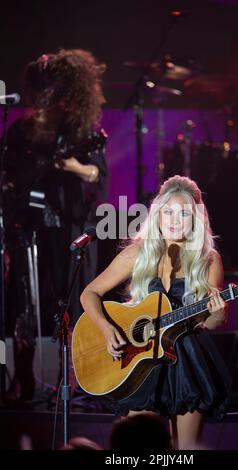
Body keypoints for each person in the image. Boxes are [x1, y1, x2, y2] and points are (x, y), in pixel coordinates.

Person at [80, 175, 230, 450]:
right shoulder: (139, 253)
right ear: (158, 215)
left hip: (187, 362)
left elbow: (212, 322)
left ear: (196, 219)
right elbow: (89, 293)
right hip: (141, 360)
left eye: (183, 213)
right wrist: (106, 327)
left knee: (184, 452)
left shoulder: (208, 260)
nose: (174, 220)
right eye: (168, 212)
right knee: (137, 448)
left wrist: (218, 313)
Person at [3, 48, 108, 401]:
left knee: (71, 301)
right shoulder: (20, 130)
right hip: (29, 227)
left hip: (68, 227)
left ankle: (74, 379)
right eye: (41, 91)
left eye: (52, 90)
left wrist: (70, 167)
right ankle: (22, 377)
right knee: (25, 304)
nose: (46, 98)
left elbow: (96, 174)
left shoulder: (81, 129)